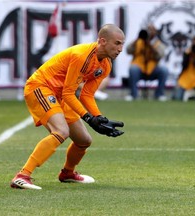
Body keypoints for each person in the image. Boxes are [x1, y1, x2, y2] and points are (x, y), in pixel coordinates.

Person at [10, 24, 125, 190]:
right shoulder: (82, 55)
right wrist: (88, 118)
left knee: (84, 141)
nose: (120, 49)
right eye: (117, 43)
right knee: (61, 132)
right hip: (41, 87)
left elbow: (87, 95)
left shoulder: (105, 65)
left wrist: (99, 117)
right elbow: (69, 93)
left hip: (60, 94)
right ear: (102, 41)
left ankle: (67, 173)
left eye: (122, 44)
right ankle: (22, 176)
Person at [125, 25, 169, 101]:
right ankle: (133, 95)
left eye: (152, 30)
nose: (150, 32)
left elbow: (160, 56)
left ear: (155, 32)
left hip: (152, 70)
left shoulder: (158, 43)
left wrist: (150, 45)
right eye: (148, 30)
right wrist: (138, 39)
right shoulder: (138, 42)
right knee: (133, 69)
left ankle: (159, 94)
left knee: (164, 70)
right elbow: (128, 50)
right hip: (139, 69)